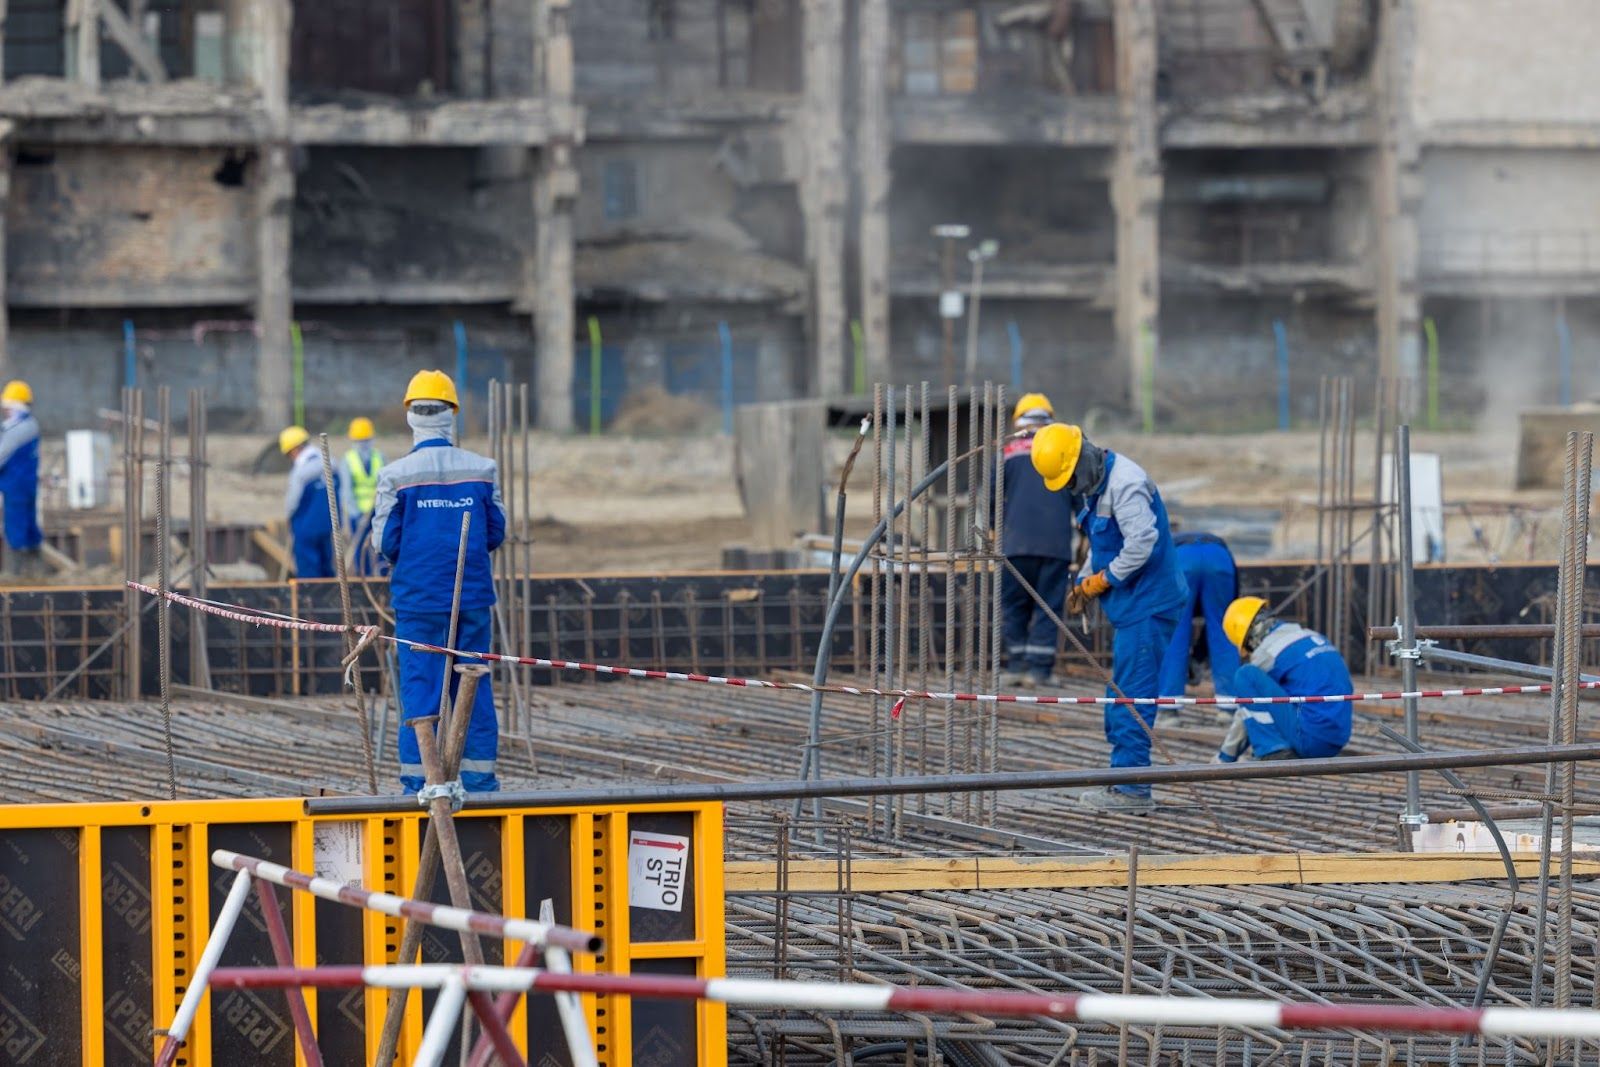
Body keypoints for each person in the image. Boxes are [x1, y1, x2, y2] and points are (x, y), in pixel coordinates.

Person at [1032, 422, 1188, 814]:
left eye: (1070, 479)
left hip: (1149, 606)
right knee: (1120, 695)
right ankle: (1123, 779)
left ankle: (1133, 789)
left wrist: (1101, 582)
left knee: (1132, 695)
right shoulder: (1094, 487)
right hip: (1134, 608)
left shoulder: (1126, 484)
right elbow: (1103, 544)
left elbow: (1141, 543)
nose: (1070, 487)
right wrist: (1085, 579)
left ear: (1082, 456)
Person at [372, 370, 504, 794]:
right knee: (473, 686)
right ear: (452, 415)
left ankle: (419, 784)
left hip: (418, 600)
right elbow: (497, 532)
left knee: (421, 689)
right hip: (472, 598)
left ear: (411, 415)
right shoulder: (482, 469)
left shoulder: (396, 475)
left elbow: (384, 541)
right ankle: (479, 780)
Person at [1215, 595, 1353, 762]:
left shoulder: (1268, 652)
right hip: (1337, 739)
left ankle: (1272, 750)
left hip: (1310, 740)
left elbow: (1245, 711)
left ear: (1248, 638)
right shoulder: (1309, 636)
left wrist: (1225, 756)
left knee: (1246, 676)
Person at [998, 393, 1076, 688]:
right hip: (1056, 545)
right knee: (1047, 607)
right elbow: (1079, 494)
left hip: (1015, 544)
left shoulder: (1007, 451)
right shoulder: (1066, 451)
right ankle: (1040, 671)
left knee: (1014, 605)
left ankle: (1017, 665)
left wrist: (996, 529)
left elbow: (993, 495)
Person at [1157, 531, 1241, 698]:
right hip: (1219, 557)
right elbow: (1232, 602)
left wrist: (1195, 656)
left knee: (1176, 630)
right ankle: (1228, 706)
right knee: (1224, 629)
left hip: (1182, 557)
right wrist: (1198, 656)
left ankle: (1169, 705)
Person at [281, 425, 348, 580]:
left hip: (305, 527)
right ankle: (329, 601)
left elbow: (292, 503)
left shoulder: (300, 473)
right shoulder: (332, 464)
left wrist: (288, 517)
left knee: (308, 573)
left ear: (294, 450)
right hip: (328, 525)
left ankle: (309, 602)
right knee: (326, 568)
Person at [0, 380, 42, 577]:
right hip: (25, 484)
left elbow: (2, 454)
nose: (5, 412)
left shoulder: (19, 428)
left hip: (16, 486)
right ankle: (35, 572)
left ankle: (16, 575)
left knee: (16, 526)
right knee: (27, 525)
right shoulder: (29, 425)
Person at [345, 416, 385, 575]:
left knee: (381, 546)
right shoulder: (348, 460)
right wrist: (355, 512)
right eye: (360, 441)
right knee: (360, 548)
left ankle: (382, 577)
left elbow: (386, 484)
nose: (363, 444)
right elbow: (347, 491)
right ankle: (364, 578)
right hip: (358, 514)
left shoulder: (379, 457)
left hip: (378, 511)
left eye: (366, 440)